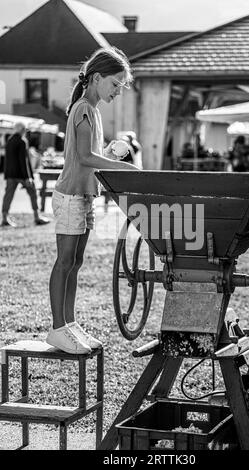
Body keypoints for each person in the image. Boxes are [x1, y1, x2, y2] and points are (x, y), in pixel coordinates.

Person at [47, 47, 139, 354]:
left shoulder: (92, 110)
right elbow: (85, 157)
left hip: (83, 196)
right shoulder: (84, 108)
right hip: (71, 196)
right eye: (115, 84)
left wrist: (111, 155)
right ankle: (58, 328)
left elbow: (90, 157)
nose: (117, 91)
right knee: (65, 261)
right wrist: (123, 165)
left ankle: (69, 325)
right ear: (97, 78)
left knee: (76, 261)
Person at [1, 122, 49, 227]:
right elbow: (24, 161)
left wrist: (6, 174)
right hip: (22, 175)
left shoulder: (9, 140)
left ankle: (4, 218)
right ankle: (37, 217)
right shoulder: (23, 141)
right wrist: (28, 177)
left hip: (10, 174)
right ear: (22, 130)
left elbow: (7, 160)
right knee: (32, 193)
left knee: (8, 196)